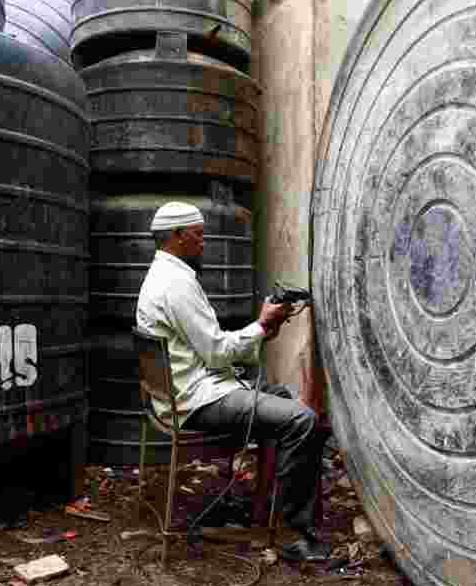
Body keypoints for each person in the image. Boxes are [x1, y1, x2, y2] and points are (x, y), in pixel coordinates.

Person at [135, 201, 332, 561]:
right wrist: (260, 324)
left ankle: (267, 506)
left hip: (186, 390)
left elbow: (208, 348)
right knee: (302, 419)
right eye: (198, 236)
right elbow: (216, 352)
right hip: (197, 401)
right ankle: (297, 533)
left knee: (285, 397)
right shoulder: (176, 285)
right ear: (177, 237)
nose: (203, 243)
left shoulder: (162, 276)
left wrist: (263, 329)